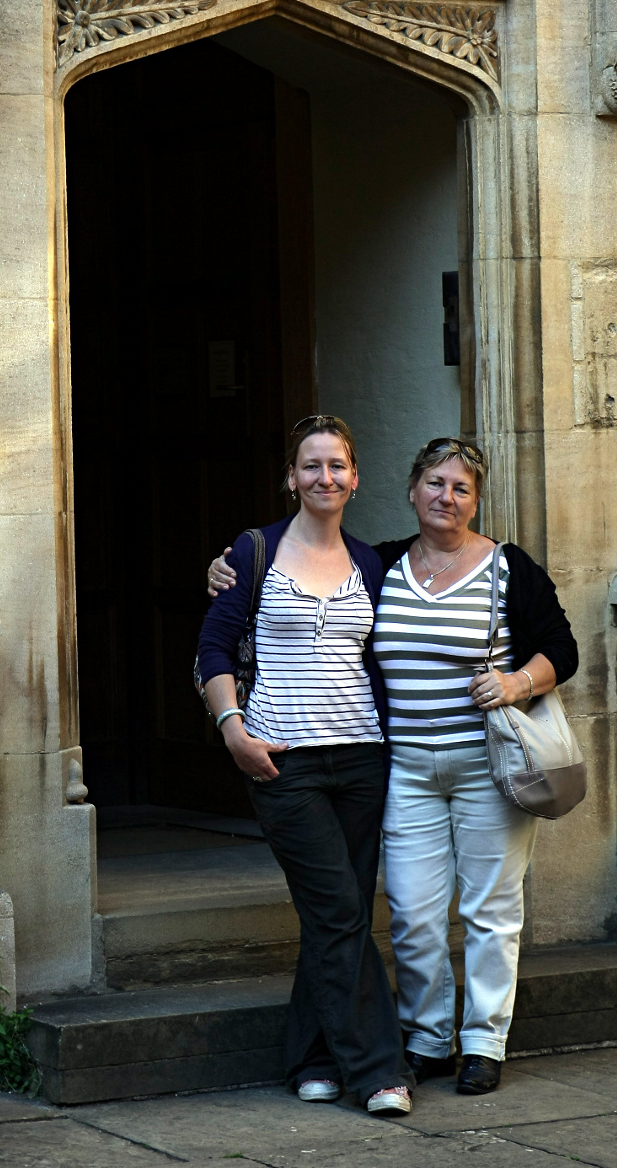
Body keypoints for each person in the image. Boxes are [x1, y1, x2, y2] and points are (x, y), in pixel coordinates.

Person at [207, 435, 578, 1097]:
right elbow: (305, 573)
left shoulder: (508, 568)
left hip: (485, 767)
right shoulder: (382, 563)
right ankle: (428, 1038)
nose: (446, 497)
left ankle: (483, 1042)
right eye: (435, 483)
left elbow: (561, 647)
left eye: (461, 488)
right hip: (403, 767)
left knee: (491, 908)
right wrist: (224, 568)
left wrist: (517, 682)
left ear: (476, 501)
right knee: (411, 913)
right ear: (411, 491)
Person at [196, 415, 415, 1117]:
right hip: (282, 761)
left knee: (333, 914)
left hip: (362, 758)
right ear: (290, 477)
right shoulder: (254, 552)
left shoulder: (372, 563)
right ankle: (379, 1071)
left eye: (337, 465)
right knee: (340, 909)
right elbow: (213, 649)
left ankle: (312, 1059)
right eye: (311, 465)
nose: (325, 477)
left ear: (356, 478)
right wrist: (232, 729)